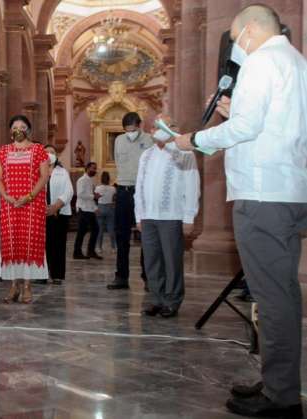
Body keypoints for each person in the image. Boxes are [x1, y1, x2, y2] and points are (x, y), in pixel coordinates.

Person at [173, 5, 307, 417]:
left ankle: (281, 397)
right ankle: (277, 382)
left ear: (249, 31)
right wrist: (234, 118)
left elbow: (246, 129)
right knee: (281, 290)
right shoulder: (294, 61)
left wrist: (192, 139)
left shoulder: (262, 61)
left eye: (234, 39)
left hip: (263, 194)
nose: (235, 49)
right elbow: (267, 123)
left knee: (272, 295)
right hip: (288, 190)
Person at [137, 129, 199, 318]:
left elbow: (192, 185)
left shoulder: (185, 153)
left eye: (165, 125)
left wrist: (189, 217)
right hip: (148, 216)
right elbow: (139, 185)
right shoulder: (146, 154)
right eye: (156, 125)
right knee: (151, 260)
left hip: (172, 215)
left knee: (171, 260)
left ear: (172, 128)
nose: (159, 130)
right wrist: (138, 215)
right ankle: (156, 299)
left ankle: (172, 301)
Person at [0, 115, 50, 304]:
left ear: (29, 130)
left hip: (32, 204)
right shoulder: (2, 151)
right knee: (11, 242)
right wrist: (7, 196)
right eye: (15, 126)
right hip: (9, 205)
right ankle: (13, 284)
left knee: (29, 242)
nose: (19, 129)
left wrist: (29, 196)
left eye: (23, 126)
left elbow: (44, 176)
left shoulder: (38, 150)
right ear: (10, 131)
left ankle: (27, 285)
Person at [108, 112, 153, 290]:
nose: (130, 134)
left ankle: (148, 276)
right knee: (121, 235)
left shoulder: (149, 140)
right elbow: (119, 161)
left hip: (143, 191)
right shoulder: (119, 140)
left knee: (146, 235)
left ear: (140, 125)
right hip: (124, 190)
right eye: (127, 131)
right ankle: (121, 276)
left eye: (133, 130)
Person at [45, 144, 73, 285]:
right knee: (43, 245)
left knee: (58, 245)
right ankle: (42, 274)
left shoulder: (62, 172)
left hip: (59, 213)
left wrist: (56, 206)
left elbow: (68, 192)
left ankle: (57, 275)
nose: (49, 154)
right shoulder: (36, 172)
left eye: (52, 152)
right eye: (47, 152)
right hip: (42, 213)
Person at [73, 162, 102, 260]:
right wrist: (94, 196)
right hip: (83, 209)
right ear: (87, 168)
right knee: (82, 231)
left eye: (95, 168)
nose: (95, 170)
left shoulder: (90, 180)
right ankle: (77, 253)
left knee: (95, 229)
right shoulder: (82, 180)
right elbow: (80, 194)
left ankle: (91, 251)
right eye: (93, 168)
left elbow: (90, 196)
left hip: (89, 209)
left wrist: (95, 208)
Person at [95, 171, 116, 254]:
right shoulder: (113, 188)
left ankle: (99, 248)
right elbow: (114, 199)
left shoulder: (98, 188)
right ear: (109, 178)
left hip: (100, 207)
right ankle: (113, 248)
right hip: (110, 208)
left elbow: (95, 199)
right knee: (111, 229)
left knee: (100, 230)